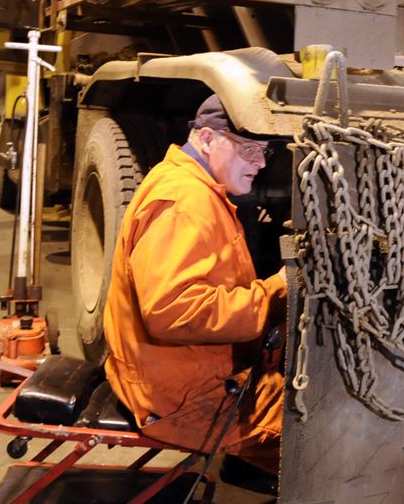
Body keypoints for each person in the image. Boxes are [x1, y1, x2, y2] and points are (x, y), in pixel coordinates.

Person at [103, 94, 287, 487]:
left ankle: (247, 464)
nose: (260, 162)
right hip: (179, 398)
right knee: (331, 434)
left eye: (265, 151)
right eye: (249, 149)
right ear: (206, 138)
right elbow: (174, 311)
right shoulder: (186, 202)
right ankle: (254, 460)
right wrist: (276, 292)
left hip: (180, 375)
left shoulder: (192, 183)